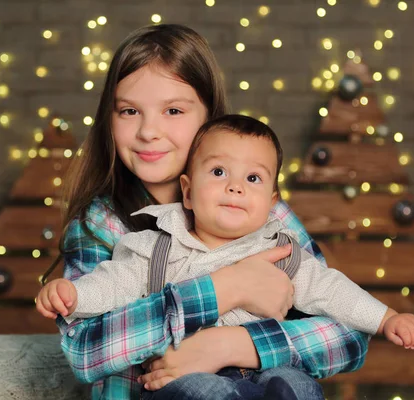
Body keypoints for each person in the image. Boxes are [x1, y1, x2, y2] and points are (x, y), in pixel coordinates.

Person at [42, 23, 375, 400]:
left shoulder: (263, 212)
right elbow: (85, 350)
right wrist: (226, 288)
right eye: (130, 110)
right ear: (110, 118)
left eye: (173, 110)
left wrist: (235, 345)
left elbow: (349, 334)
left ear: (208, 118)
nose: (149, 131)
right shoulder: (100, 223)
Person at [37, 115, 414, 399]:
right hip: (180, 378)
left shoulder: (282, 251)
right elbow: (114, 282)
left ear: (271, 203)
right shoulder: (156, 247)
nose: (236, 187)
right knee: (204, 392)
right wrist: (73, 296)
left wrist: (386, 317)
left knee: (297, 385)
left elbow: (333, 292)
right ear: (188, 192)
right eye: (219, 172)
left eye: (253, 179)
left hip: (264, 371)